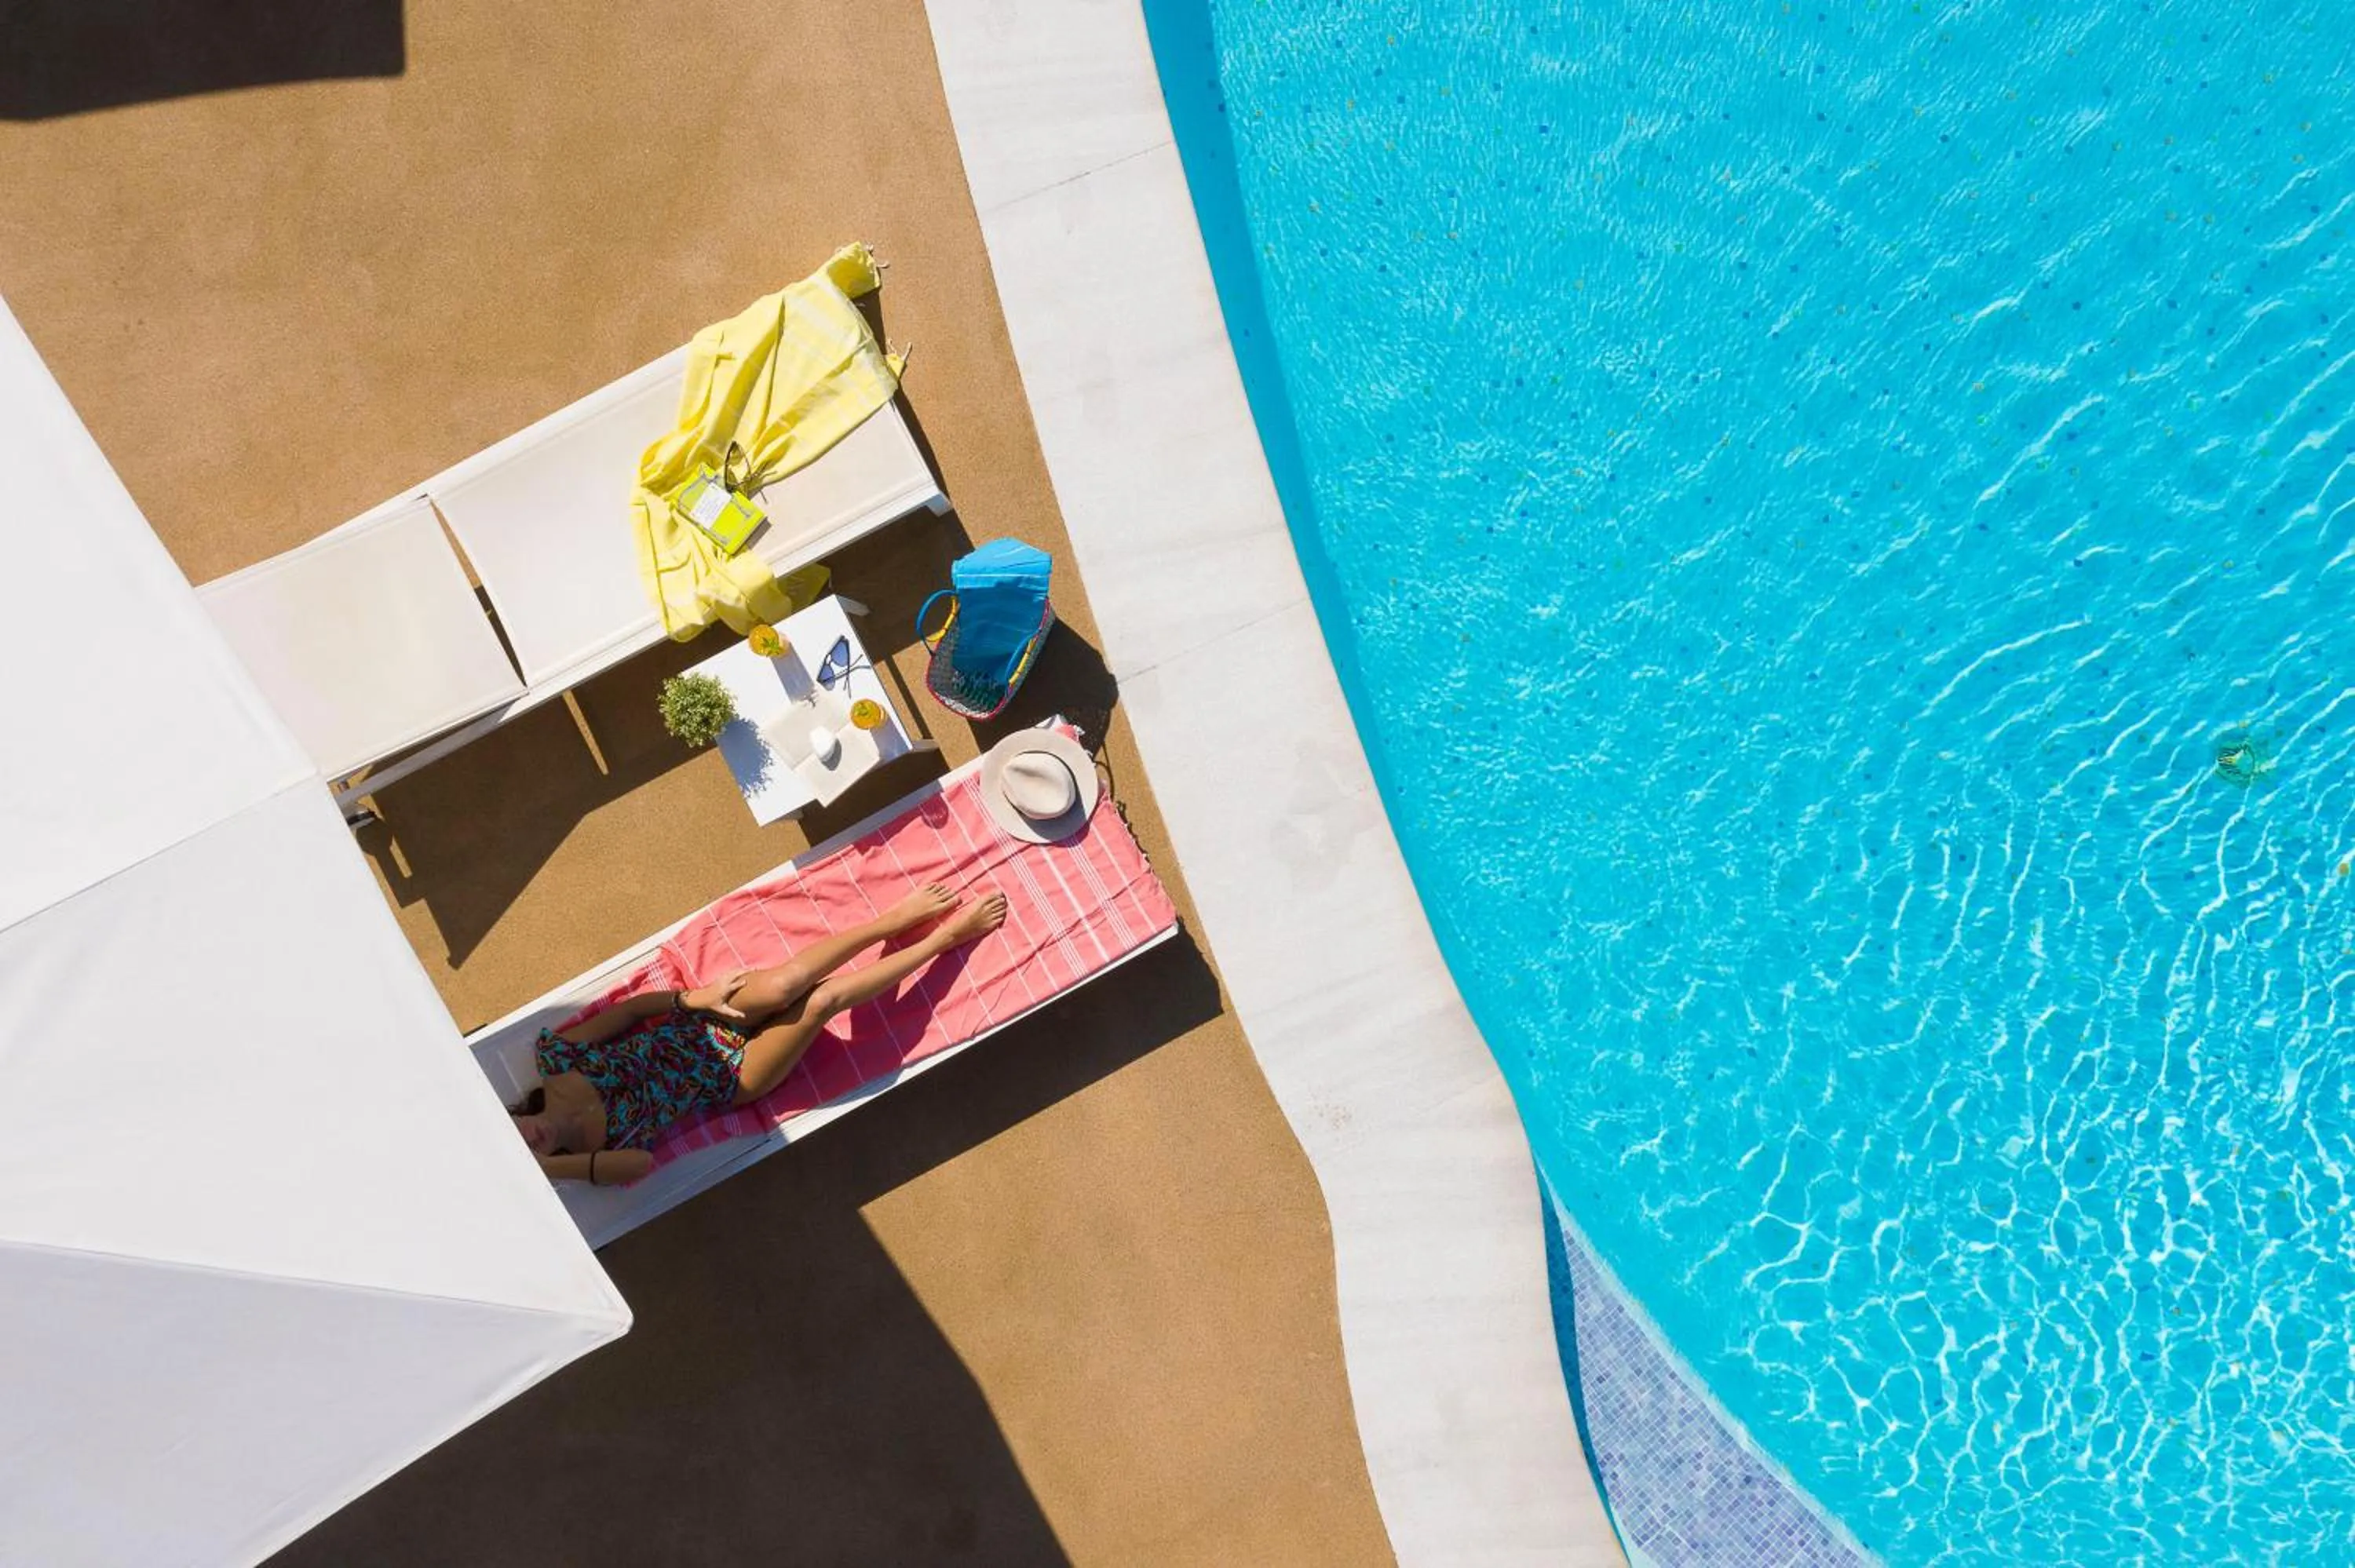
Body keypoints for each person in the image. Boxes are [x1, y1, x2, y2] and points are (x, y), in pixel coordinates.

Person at [511, 882, 1007, 1186]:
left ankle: (889, 923)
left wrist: (694, 999)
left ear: (511, 1118)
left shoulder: (556, 1061)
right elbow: (640, 1165)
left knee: (788, 983)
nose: (534, 1140)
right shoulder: (593, 1159)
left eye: (520, 1136)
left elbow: (631, 1011)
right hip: (732, 1079)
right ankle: (947, 938)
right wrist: (551, 1170)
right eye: (532, 1153)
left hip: (701, 1021)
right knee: (820, 1001)